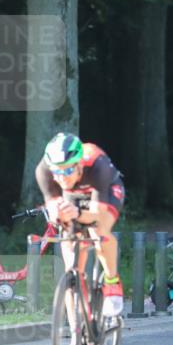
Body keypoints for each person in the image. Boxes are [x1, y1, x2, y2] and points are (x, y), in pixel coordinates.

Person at [36, 132, 126, 317]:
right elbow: (53, 210)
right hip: (74, 195)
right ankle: (78, 331)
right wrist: (58, 213)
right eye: (57, 172)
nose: (62, 178)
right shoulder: (44, 171)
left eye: (68, 171)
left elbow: (97, 214)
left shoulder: (97, 164)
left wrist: (77, 213)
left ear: (79, 165)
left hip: (105, 189)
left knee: (98, 230)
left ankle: (112, 281)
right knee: (72, 267)